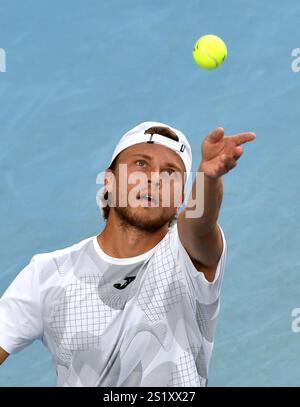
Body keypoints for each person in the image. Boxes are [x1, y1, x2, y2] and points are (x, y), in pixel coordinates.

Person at [0, 121, 256, 386]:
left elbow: (200, 226)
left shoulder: (187, 257)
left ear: (180, 198)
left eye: (170, 173)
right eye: (141, 164)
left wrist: (208, 178)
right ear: (108, 182)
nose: (154, 178)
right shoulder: (47, 274)